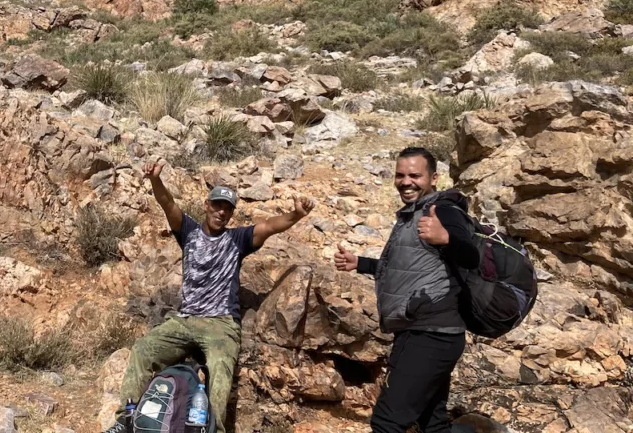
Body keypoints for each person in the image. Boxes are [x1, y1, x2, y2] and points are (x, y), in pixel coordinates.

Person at [103, 158, 316, 433]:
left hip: (220, 323)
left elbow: (270, 226)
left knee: (219, 366)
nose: (221, 213)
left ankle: (211, 429)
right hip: (185, 319)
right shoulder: (189, 231)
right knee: (144, 350)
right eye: (217, 205)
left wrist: (296, 215)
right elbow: (167, 203)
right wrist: (155, 179)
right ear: (206, 205)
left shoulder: (238, 240)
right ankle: (125, 418)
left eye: (227, 209)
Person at [334, 146, 480, 433]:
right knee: (432, 423)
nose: (405, 181)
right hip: (423, 332)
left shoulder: (444, 210)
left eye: (415, 175)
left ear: (433, 178)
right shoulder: (412, 215)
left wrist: (446, 238)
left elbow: (470, 257)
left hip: (430, 335)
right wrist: (360, 263)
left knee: (387, 422)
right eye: (400, 175)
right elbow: (406, 271)